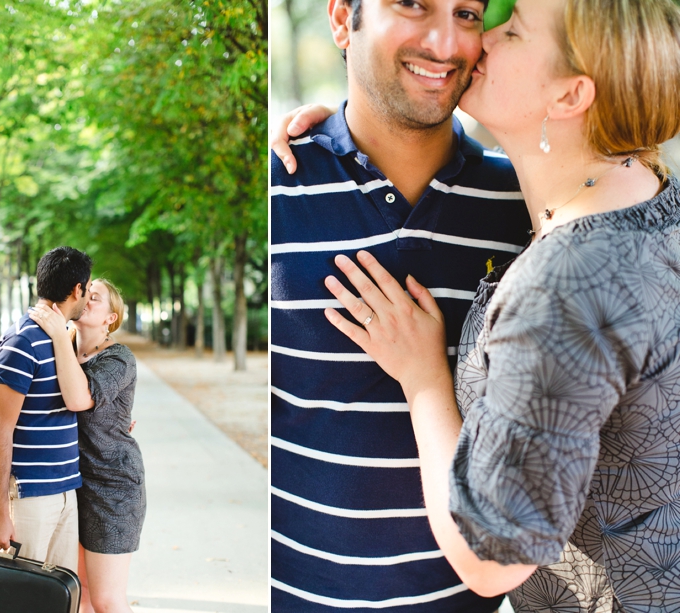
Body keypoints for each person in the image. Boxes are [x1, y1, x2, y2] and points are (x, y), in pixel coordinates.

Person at [285, 0, 680, 609]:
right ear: (343, 18)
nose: (468, 42)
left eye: (499, 24)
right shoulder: (646, 201)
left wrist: (424, 381)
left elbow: (493, 561)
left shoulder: (557, 265)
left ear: (571, 95)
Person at [270, 0, 532, 610]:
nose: (444, 42)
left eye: (467, 13)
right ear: (342, 19)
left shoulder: (523, 207)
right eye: (412, 4)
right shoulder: (276, 191)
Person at [29, 278, 145, 613]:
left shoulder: (120, 359)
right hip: (69, 484)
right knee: (79, 596)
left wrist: (58, 335)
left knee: (107, 599)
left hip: (113, 487)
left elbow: (79, 399)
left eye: (96, 298)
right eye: (85, 294)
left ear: (111, 318)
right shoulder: (59, 348)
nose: (86, 300)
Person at [0, 246, 93, 573]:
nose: (88, 299)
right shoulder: (22, 342)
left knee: (60, 597)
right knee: (18, 599)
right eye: (88, 291)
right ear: (78, 290)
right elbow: (0, 431)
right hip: (27, 497)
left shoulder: (61, 339)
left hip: (64, 491)